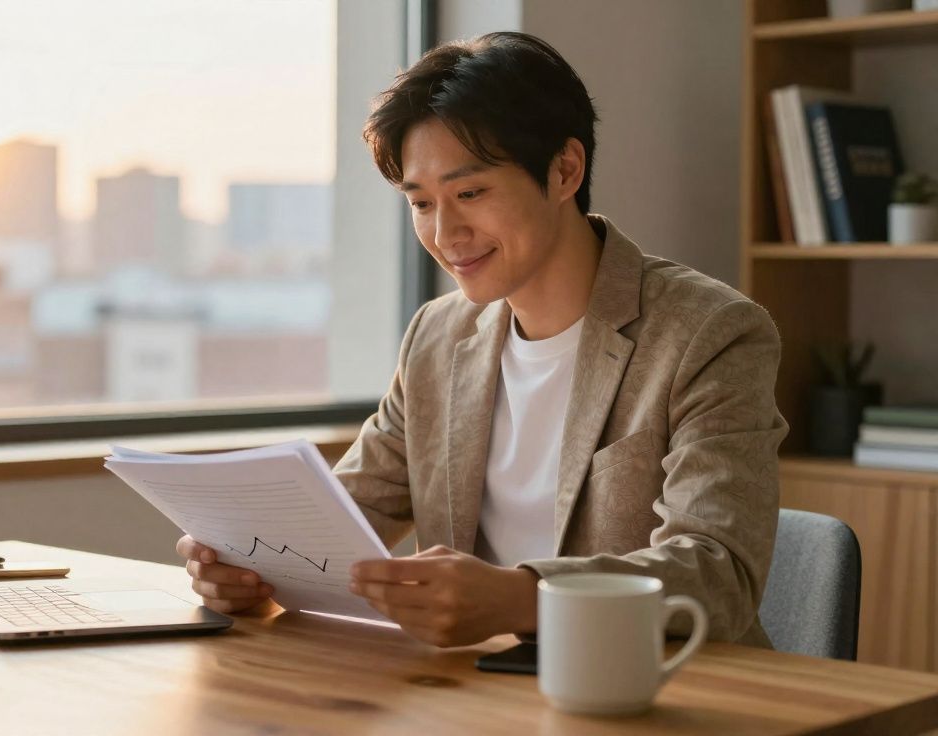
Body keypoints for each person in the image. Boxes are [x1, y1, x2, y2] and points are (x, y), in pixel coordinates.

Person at [176, 31, 787, 648]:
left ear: (564, 170)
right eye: (421, 203)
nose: (446, 233)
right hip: (474, 689)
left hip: (655, 687)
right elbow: (338, 522)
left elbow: (720, 572)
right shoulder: (435, 338)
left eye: (470, 193)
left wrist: (522, 598)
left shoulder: (709, 332)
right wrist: (250, 566)